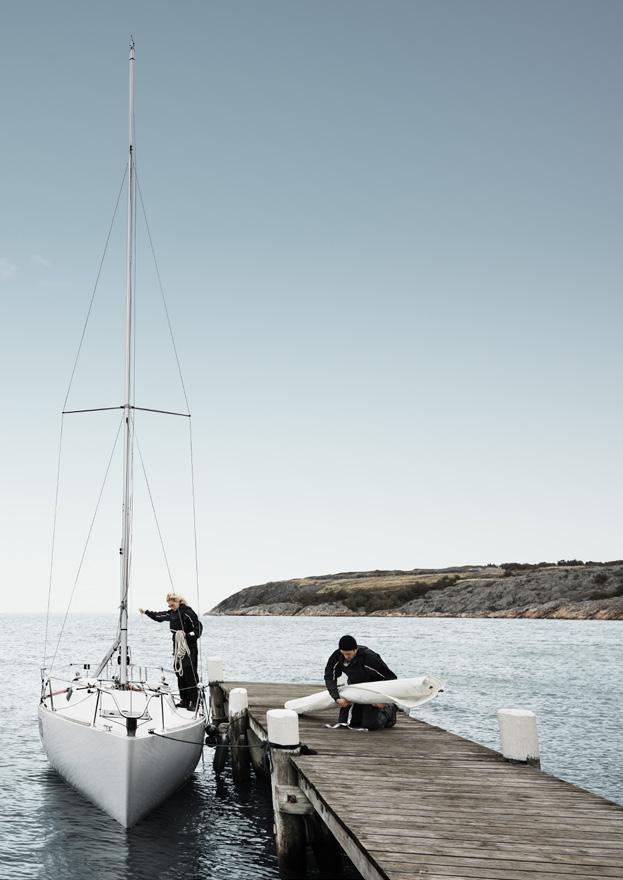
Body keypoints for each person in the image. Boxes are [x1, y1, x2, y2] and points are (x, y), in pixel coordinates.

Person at [139, 592, 201, 710]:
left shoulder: (188, 613)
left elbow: (198, 630)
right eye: (169, 605)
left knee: (190, 673)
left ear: (179, 602)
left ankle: (195, 701)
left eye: (172, 605)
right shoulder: (171, 614)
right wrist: (146, 612)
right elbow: (158, 616)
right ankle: (185, 699)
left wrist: (186, 635)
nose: (170, 607)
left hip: (189, 648)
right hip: (177, 647)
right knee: (179, 673)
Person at [324, 634, 398, 730]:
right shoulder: (337, 656)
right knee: (346, 723)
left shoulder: (369, 658)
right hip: (355, 689)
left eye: (348, 654)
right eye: (343, 653)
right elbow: (329, 676)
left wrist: (383, 700)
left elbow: (391, 678)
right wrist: (336, 698)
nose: (345, 657)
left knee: (371, 725)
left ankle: (390, 710)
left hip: (373, 691)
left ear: (355, 650)